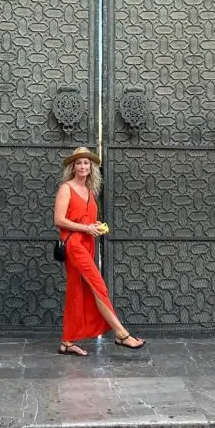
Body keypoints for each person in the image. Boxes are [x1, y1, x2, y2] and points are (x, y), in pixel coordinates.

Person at [53, 146, 146, 356]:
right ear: (73, 167)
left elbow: (84, 218)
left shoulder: (89, 191)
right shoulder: (66, 188)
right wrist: (86, 228)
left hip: (87, 244)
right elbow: (58, 220)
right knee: (98, 286)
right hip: (74, 245)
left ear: (91, 167)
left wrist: (95, 225)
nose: (83, 166)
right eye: (79, 163)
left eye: (87, 162)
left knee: (77, 291)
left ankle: (67, 342)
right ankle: (121, 334)